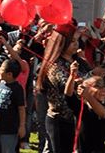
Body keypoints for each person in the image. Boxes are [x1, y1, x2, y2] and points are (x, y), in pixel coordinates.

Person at [35, 22, 81, 153]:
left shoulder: (77, 60)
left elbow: (92, 78)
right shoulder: (54, 65)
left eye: (77, 40)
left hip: (74, 118)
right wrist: (75, 78)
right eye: (72, 41)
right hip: (58, 119)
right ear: (62, 42)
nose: (76, 44)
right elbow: (64, 86)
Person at [65, 61, 105, 153]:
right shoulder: (81, 107)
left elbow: (103, 114)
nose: (103, 90)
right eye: (97, 86)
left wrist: (87, 96)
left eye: (103, 86)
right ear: (87, 89)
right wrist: (72, 75)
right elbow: (68, 96)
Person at [0, 59, 25, 153]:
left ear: (9, 74)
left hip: (9, 130)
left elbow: (21, 108)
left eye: (2, 69)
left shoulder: (17, 88)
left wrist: (22, 126)